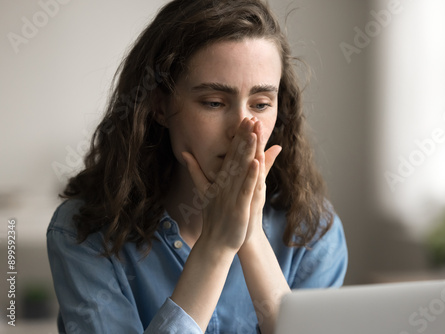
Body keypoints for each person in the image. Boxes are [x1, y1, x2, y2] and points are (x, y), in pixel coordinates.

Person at [46, 0, 348, 333]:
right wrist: (216, 247)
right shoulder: (82, 234)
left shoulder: (313, 232)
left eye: (261, 104)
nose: (242, 128)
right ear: (160, 106)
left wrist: (251, 236)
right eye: (214, 103)